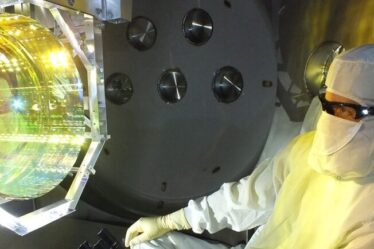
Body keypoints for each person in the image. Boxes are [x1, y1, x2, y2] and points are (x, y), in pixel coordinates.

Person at [124, 44, 374, 249]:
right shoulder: (307, 149)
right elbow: (247, 199)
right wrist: (170, 221)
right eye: (327, 105)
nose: (329, 122)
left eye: (345, 110)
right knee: (149, 245)